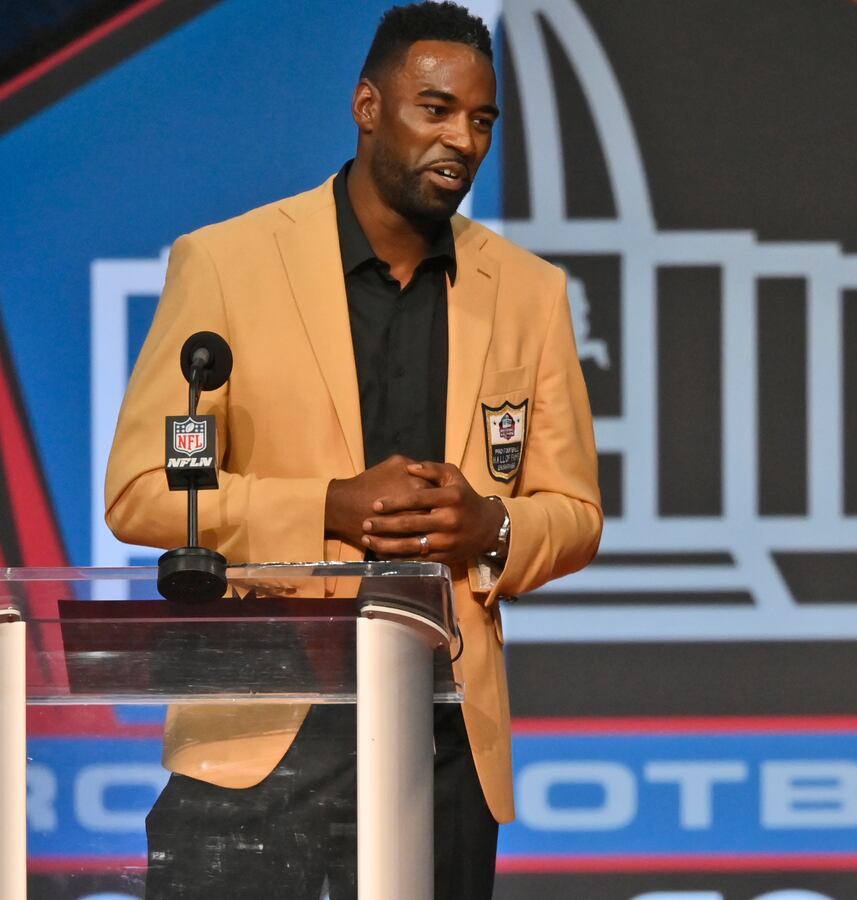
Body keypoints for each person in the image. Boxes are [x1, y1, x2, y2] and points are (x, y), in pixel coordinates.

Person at [102, 3, 602, 897]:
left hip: (443, 739)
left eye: (482, 121)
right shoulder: (228, 264)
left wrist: (487, 526)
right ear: (368, 106)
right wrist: (329, 506)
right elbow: (144, 491)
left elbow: (574, 514)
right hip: (262, 733)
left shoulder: (528, 293)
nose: (462, 140)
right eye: (435, 110)